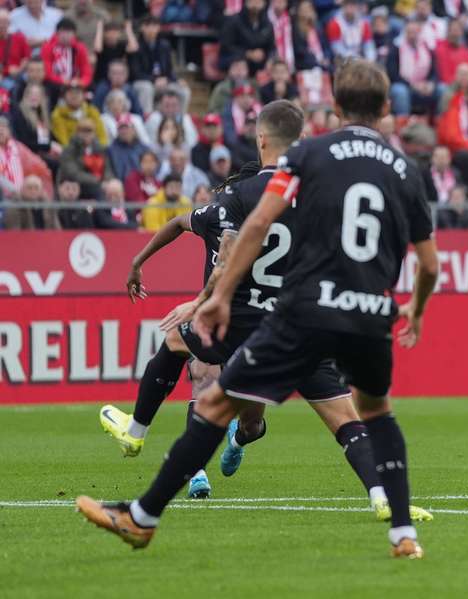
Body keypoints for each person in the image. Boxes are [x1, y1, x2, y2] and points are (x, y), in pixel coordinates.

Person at [77, 64, 440, 559]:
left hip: (305, 313)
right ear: (385, 110)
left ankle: (141, 517)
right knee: (372, 415)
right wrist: (415, 311)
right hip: (369, 313)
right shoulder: (406, 170)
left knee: (212, 405)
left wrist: (218, 293)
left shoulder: (312, 156)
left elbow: (255, 228)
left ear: (334, 109)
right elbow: (428, 261)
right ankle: (402, 533)